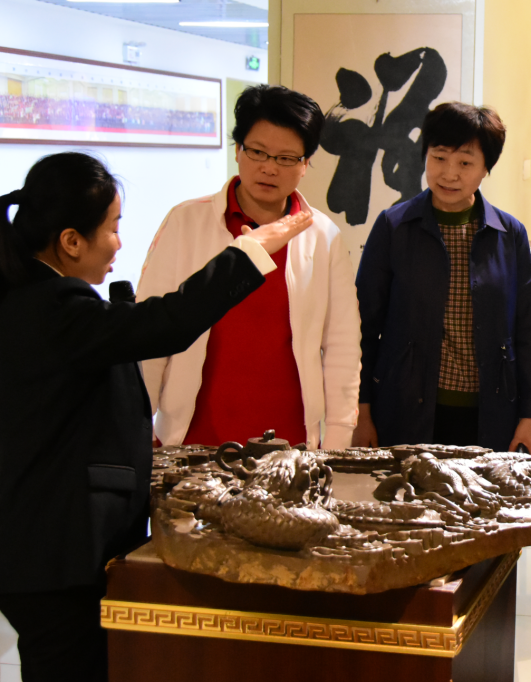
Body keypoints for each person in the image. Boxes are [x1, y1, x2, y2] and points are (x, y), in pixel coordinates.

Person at [0, 152, 311, 681]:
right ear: (71, 241)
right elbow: (168, 322)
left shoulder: (32, 298)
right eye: (112, 228)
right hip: (54, 553)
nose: (119, 243)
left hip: (43, 548)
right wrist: (250, 252)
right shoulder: (52, 306)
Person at [137, 84, 360, 449]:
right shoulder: (186, 221)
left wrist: (336, 440)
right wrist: (137, 422)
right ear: (238, 150)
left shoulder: (323, 236)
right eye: (257, 152)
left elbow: (342, 347)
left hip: (290, 444)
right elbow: (150, 331)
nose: (269, 168)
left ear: (305, 164)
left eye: (286, 158)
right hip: (193, 438)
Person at [353, 102, 531, 454]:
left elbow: (528, 331)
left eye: (465, 163)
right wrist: (361, 411)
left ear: (486, 168)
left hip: (491, 412)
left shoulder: (509, 233)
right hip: (405, 408)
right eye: (439, 158)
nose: (449, 174)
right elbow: (363, 326)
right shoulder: (394, 227)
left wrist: (530, 414)